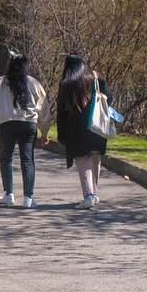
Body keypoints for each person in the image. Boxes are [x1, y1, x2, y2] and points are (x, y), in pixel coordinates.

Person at [0, 51, 49, 207]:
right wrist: (45, 133)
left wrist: (0, 109)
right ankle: (28, 197)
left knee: (6, 158)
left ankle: (9, 194)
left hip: (6, 124)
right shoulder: (34, 83)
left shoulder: (1, 82)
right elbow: (44, 110)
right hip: (28, 125)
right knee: (27, 160)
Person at [57, 54, 112, 209]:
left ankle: (88, 195)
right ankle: (94, 193)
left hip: (77, 129)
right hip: (96, 125)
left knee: (83, 162)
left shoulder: (66, 84)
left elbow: (61, 112)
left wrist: (62, 135)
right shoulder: (95, 79)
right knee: (95, 159)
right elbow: (110, 97)